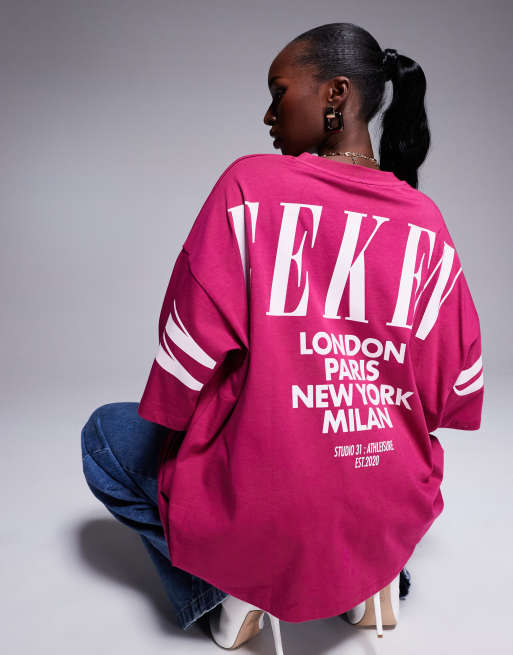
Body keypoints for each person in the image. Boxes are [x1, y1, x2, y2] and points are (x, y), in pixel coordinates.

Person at [81, 22, 483, 655]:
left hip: (269, 496)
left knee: (106, 434)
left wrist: (215, 428)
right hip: (382, 489)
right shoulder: (425, 220)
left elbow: (187, 351)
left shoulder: (251, 186)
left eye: (279, 92)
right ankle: (371, 574)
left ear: (336, 94)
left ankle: (231, 590)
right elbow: (451, 386)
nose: (268, 115)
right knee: (366, 474)